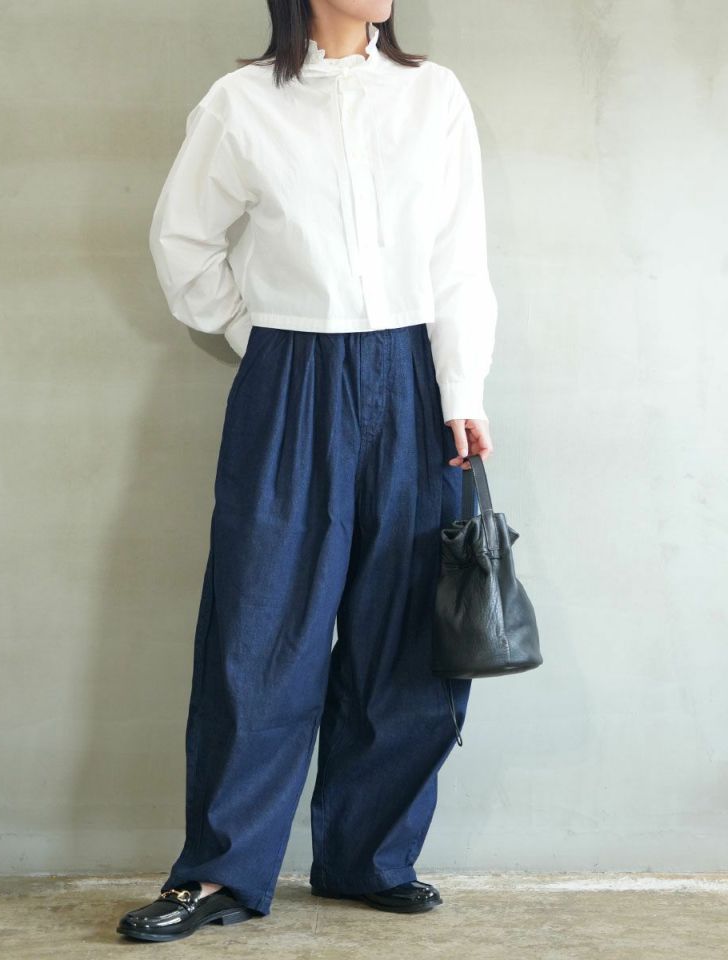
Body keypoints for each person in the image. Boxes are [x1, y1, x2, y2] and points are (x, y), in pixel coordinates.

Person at [116, 0, 496, 943]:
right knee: (259, 630)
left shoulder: (433, 95)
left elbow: (459, 255)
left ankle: (370, 859)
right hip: (290, 376)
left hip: (416, 379)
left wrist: (462, 389)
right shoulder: (243, 102)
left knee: (406, 632)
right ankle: (220, 873)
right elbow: (183, 242)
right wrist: (263, 339)